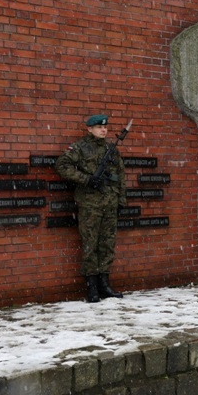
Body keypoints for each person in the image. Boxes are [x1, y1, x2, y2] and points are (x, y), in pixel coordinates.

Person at [55, 114, 127, 303]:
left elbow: (120, 175)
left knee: (107, 245)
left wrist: (121, 201)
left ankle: (105, 285)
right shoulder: (80, 148)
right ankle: (92, 288)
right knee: (90, 245)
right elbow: (62, 165)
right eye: (98, 127)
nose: (103, 130)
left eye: (105, 127)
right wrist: (87, 179)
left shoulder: (111, 149)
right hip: (90, 205)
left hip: (110, 205)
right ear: (89, 129)